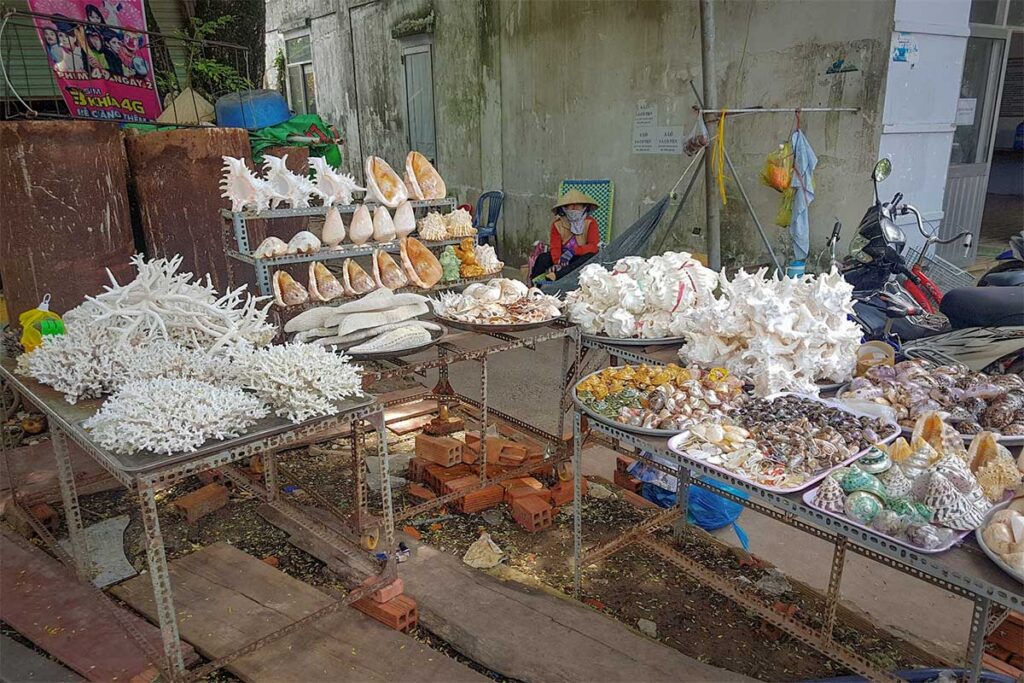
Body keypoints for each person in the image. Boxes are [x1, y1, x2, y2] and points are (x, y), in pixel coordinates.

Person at [529, 189, 600, 282]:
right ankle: (535, 284)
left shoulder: (591, 223)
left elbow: (593, 246)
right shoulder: (557, 224)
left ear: (584, 207)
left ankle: (556, 276)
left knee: (590, 256)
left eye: (578, 205)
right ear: (565, 208)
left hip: (578, 257)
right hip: (562, 257)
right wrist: (557, 262)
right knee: (543, 258)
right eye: (571, 206)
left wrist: (573, 251)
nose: (574, 208)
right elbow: (555, 246)